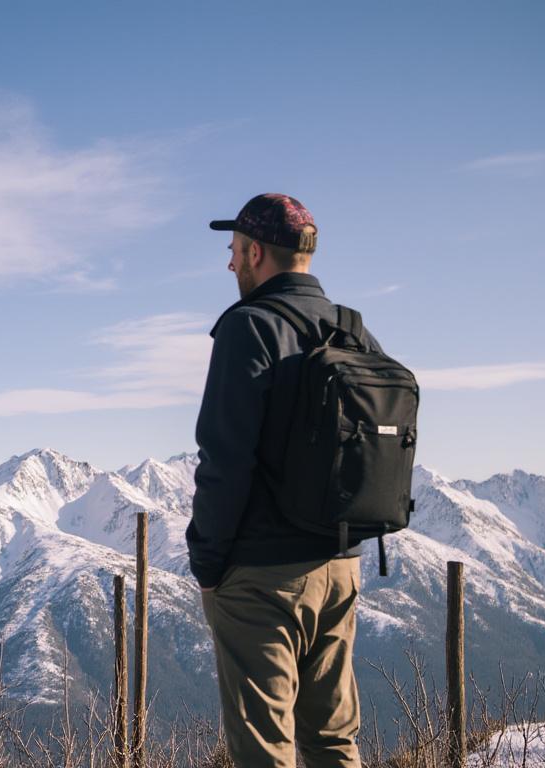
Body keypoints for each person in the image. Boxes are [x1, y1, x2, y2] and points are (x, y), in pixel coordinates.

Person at [188, 193, 382, 767]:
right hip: (341, 564)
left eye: (232, 252)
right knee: (333, 740)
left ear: (254, 252)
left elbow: (224, 458)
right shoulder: (352, 330)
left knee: (265, 752)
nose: (229, 265)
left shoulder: (249, 327)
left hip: (263, 575)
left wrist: (209, 562)